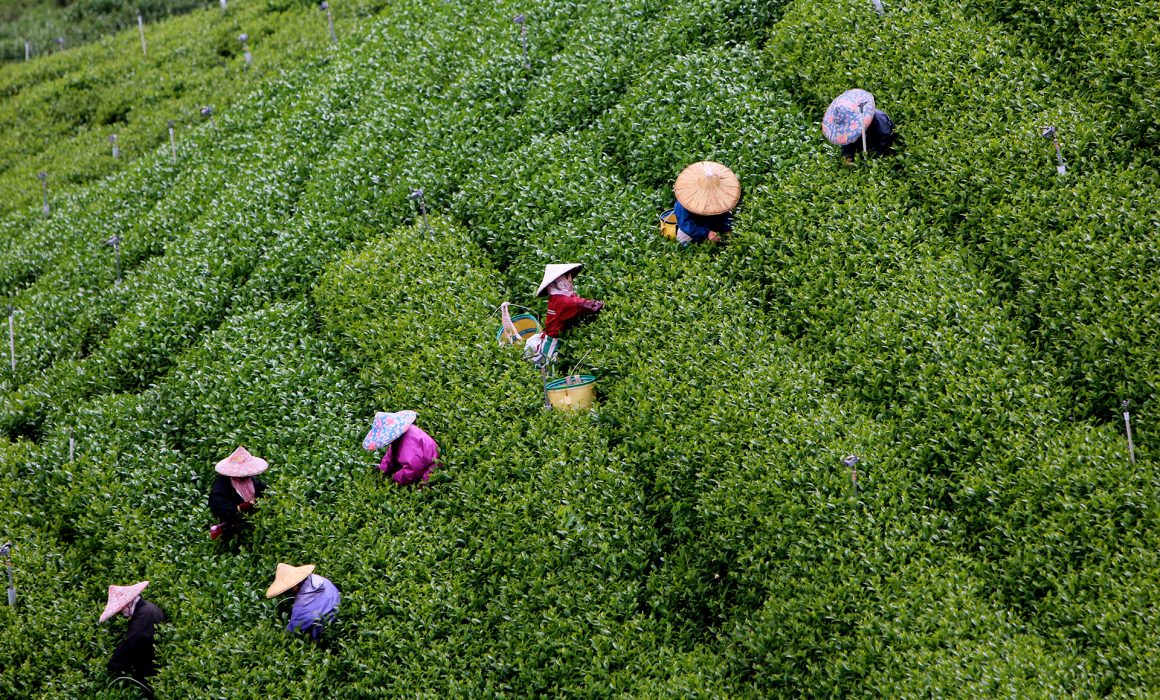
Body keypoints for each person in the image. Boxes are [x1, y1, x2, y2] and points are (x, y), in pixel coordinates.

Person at [101, 580, 166, 698]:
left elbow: (131, 641)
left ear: (127, 604)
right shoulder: (147, 608)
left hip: (150, 667)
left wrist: (113, 664)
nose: (122, 613)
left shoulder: (144, 613)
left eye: (121, 610)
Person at [362, 410, 440, 486]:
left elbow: (413, 468)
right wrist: (383, 468)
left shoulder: (408, 445)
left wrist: (396, 478)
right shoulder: (400, 435)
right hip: (419, 457)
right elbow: (391, 454)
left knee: (424, 483)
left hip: (432, 462)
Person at [672, 161, 741, 245]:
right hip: (694, 227)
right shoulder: (684, 202)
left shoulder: (721, 197)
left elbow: (725, 214)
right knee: (683, 240)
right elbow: (686, 223)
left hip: (713, 224)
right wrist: (706, 232)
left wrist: (726, 228)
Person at [265, 563, 340, 640]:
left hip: (328, 626)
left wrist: (282, 636)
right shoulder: (318, 578)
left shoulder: (302, 605)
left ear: (294, 586)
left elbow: (293, 629)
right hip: (339, 607)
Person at [208, 446, 267, 540]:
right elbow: (219, 507)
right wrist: (239, 508)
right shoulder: (222, 485)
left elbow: (264, 491)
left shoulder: (251, 480)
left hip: (255, 521)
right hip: (234, 527)